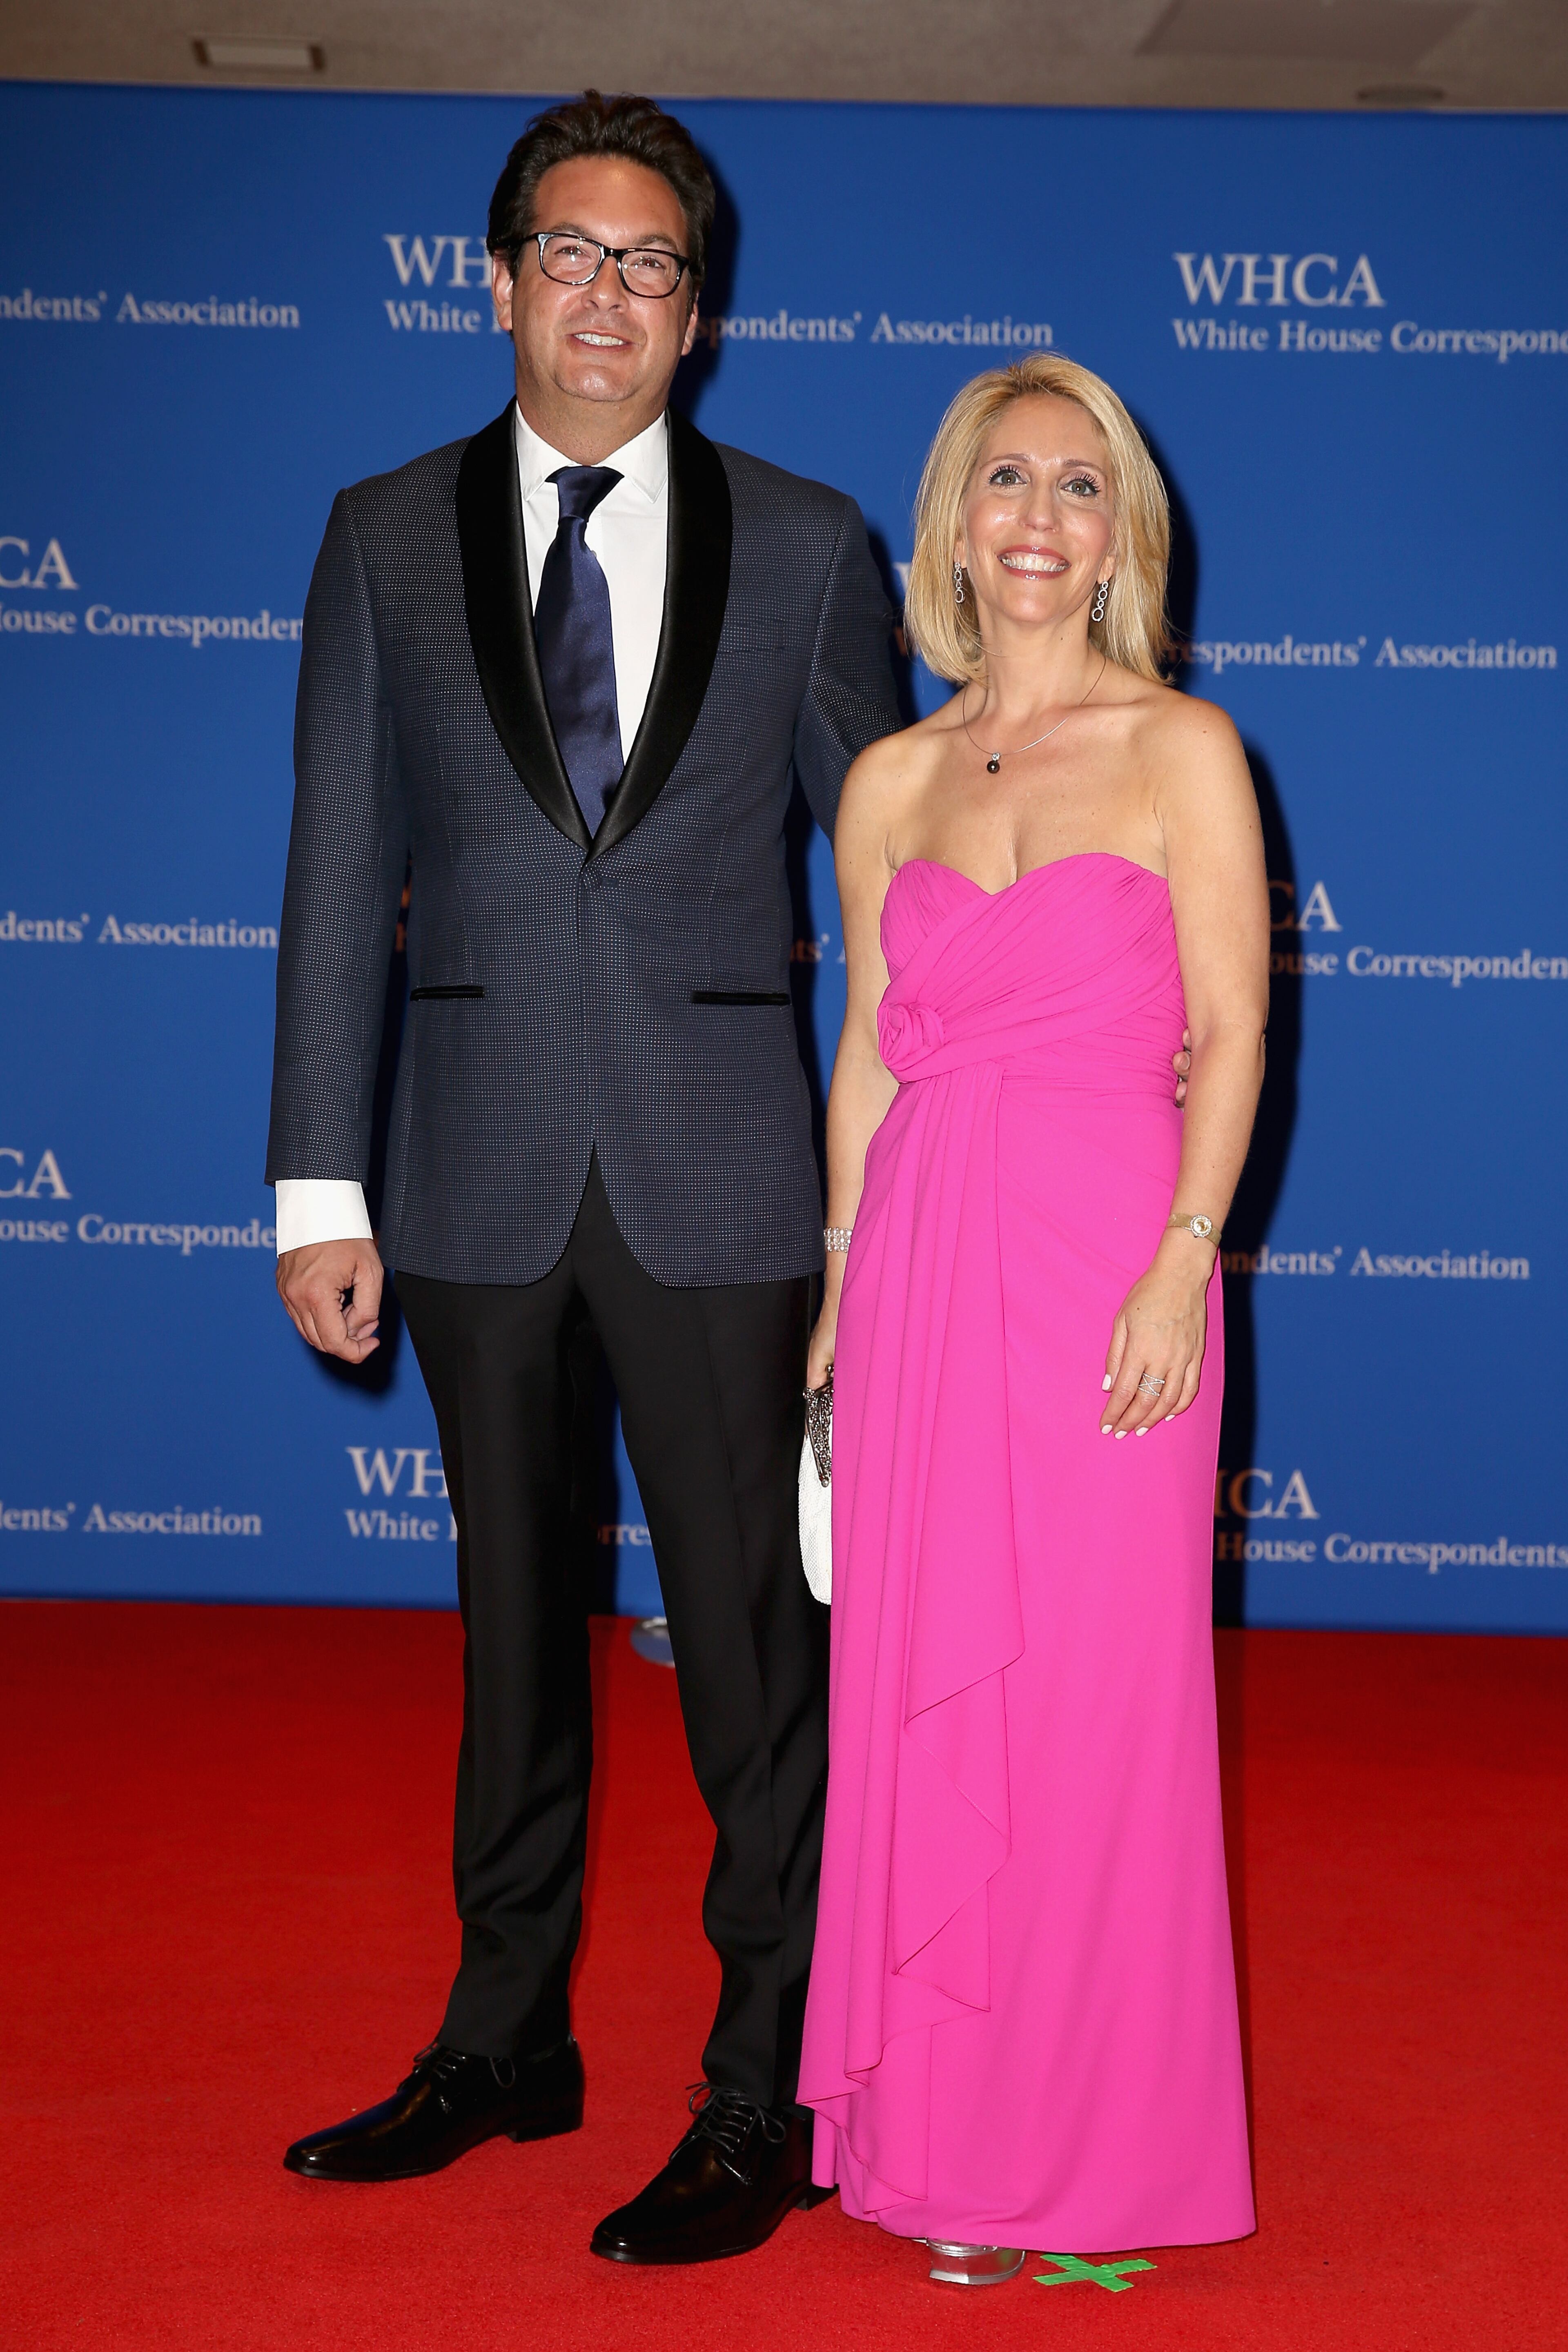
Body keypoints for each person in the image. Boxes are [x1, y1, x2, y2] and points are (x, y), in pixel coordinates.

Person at [266, 91, 901, 2264]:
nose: (611, 294)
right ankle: (507, 2041)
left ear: (699, 312)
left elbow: (896, 885)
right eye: (571, 251)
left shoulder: (813, 543)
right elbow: (341, 873)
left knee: (749, 1664)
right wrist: (311, 1188)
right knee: (512, 1640)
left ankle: (771, 2091)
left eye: (651, 264)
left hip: (727, 1180)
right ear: (499, 276)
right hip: (468, 1175)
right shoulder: (376, 534)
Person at [797, 354, 1266, 2282]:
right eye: (1008, 479)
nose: (1041, 518)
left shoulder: (1184, 751)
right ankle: (942, 2144)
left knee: (1093, 1708)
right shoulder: (888, 779)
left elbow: (1233, 1029)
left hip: (1104, 1273)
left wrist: (1185, 1252)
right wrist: (835, 1295)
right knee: (923, 1706)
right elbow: (866, 1058)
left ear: (1120, 537)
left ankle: (1085, 2146)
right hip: (913, 1276)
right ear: (955, 521)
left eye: (1083, 486)